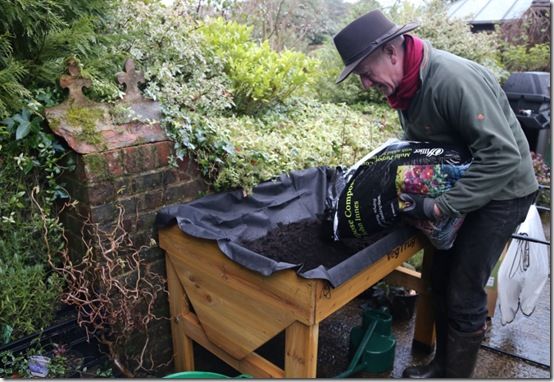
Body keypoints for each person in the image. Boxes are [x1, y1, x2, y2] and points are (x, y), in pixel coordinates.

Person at [333, 9, 539, 378]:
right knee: (438, 281)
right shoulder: (406, 88)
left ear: (392, 54)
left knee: (464, 289)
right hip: (470, 182)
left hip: (504, 190)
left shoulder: (451, 80)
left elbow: (503, 156)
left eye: (366, 73)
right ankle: (442, 365)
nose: (365, 84)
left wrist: (442, 206)